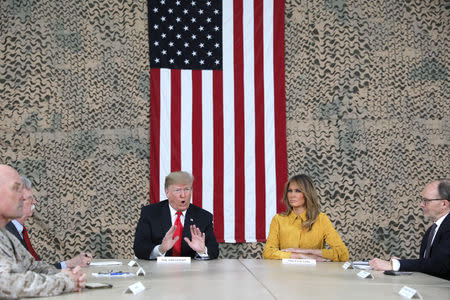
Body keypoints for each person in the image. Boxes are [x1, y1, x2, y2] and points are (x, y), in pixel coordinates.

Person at [0, 165, 86, 298]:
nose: (23, 197)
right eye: (16, 188)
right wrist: (65, 281)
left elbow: (32, 266)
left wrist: (68, 275)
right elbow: (6, 283)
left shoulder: (5, 235)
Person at [5, 176, 93, 269]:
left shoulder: (17, 230)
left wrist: (70, 263)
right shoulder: (6, 233)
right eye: (30, 198)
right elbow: (27, 273)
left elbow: (37, 267)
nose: (34, 202)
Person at [369, 180, 450, 280]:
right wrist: (403, 263)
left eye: (426, 201)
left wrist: (396, 265)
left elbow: (439, 265)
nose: (421, 204)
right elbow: (427, 264)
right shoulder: (432, 229)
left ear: (444, 204)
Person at [134, 171, 219, 259]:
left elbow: (214, 250)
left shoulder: (204, 216)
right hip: (158, 270)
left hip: (191, 271)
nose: (183, 195)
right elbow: (139, 248)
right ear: (167, 193)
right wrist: (160, 249)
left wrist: (202, 251)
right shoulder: (150, 213)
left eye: (187, 189)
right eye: (177, 190)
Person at [263, 174, 349, 261]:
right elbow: (268, 252)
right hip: (285, 273)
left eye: (298, 191)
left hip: (313, 273)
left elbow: (343, 254)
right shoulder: (278, 219)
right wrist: (299, 256)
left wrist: (309, 252)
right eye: (290, 191)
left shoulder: (321, 219)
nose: (292, 195)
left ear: (307, 193)